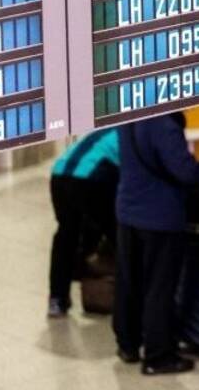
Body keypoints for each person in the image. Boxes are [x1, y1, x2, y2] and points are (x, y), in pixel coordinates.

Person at [114, 112, 199, 375]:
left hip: (128, 211)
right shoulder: (161, 122)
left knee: (130, 282)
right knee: (159, 287)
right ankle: (158, 356)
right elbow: (184, 171)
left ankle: (128, 344)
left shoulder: (128, 112)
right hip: (159, 217)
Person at [48, 128, 120, 318]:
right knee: (119, 236)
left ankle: (57, 299)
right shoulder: (132, 133)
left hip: (59, 174)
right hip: (91, 179)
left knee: (66, 235)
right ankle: (130, 297)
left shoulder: (104, 131)